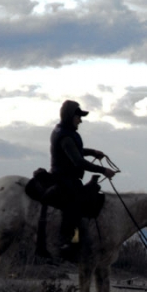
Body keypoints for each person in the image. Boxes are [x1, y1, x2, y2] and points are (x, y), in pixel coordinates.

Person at [49, 100, 116, 256]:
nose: (81, 120)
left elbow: (76, 150)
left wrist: (92, 152)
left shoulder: (64, 133)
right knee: (76, 204)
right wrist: (103, 170)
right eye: (78, 116)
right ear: (70, 117)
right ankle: (69, 242)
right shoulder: (65, 136)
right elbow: (78, 161)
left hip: (68, 178)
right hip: (64, 179)